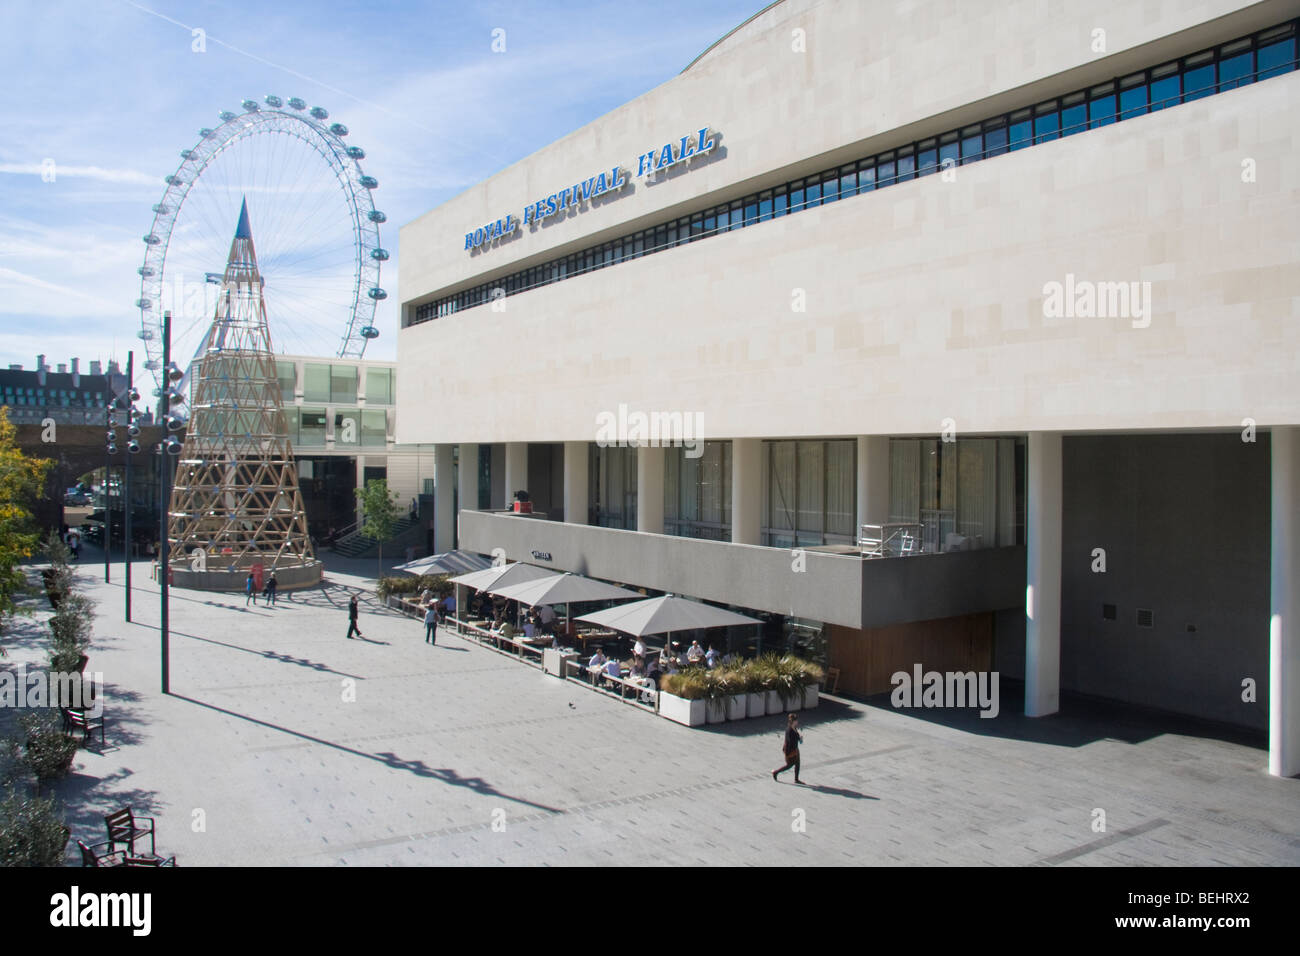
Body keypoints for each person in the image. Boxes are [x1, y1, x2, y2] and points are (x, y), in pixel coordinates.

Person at [772, 713, 803, 784]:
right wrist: (798, 738)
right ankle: (776, 772)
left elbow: (796, 736)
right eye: (796, 721)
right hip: (790, 750)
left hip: (795, 749)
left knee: (798, 763)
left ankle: (796, 779)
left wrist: (799, 738)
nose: (797, 722)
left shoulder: (794, 727)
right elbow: (789, 741)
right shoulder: (789, 730)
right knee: (789, 765)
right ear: (794, 721)